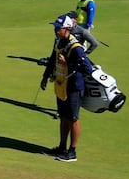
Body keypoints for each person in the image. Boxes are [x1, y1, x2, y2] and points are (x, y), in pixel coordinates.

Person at [40, 15, 95, 162]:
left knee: (73, 119)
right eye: (55, 28)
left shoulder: (75, 47)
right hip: (61, 85)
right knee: (63, 117)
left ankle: (72, 152)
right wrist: (45, 77)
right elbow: (52, 60)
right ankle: (62, 147)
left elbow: (87, 68)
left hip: (74, 87)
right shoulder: (59, 42)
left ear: (67, 29)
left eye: (58, 28)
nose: (55, 31)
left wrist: (68, 62)